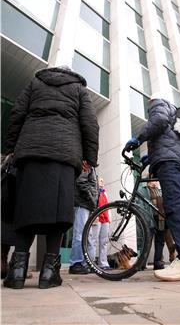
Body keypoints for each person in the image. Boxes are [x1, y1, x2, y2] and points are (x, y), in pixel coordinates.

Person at [3, 65, 99, 289]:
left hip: (30, 152)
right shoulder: (78, 89)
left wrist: (10, 148)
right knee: (58, 215)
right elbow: (90, 124)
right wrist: (90, 159)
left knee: (25, 212)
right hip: (64, 157)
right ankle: (49, 274)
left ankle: (17, 272)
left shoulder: (35, 83)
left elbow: (17, 113)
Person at [124, 93, 180, 281]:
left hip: (170, 163)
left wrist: (139, 138)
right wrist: (150, 158)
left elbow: (158, 121)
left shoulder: (159, 104)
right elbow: (169, 138)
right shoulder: (174, 112)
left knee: (175, 207)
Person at [137, 180, 176, 270]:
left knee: (160, 241)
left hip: (160, 218)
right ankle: (141, 264)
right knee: (147, 242)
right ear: (148, 181)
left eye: (156, 180)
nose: (155, 182)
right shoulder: (142, 189)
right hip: (149, 218)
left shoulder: (159, 190)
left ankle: (158, 263)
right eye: (153, 180)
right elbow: (140, 204)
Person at [69, 166, 98, 274]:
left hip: (87, 205)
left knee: (87, 236)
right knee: (80, 234)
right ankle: (76, 263)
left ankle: (87, 263)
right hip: (82, 203)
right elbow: (81, 182)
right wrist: (91, 199)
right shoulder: (86, 165)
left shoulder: (91, 167)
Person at [92, 177, 111, 270]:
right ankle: (92, 262)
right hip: (97, 219)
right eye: (101, 180)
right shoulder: (95, 192)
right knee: (93, 241)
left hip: (105, 219)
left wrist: (109, 218)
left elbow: (108, 206)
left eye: (103, 181)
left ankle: (103, 263)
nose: (103, 182)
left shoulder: (105, 193)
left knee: (104, 242)